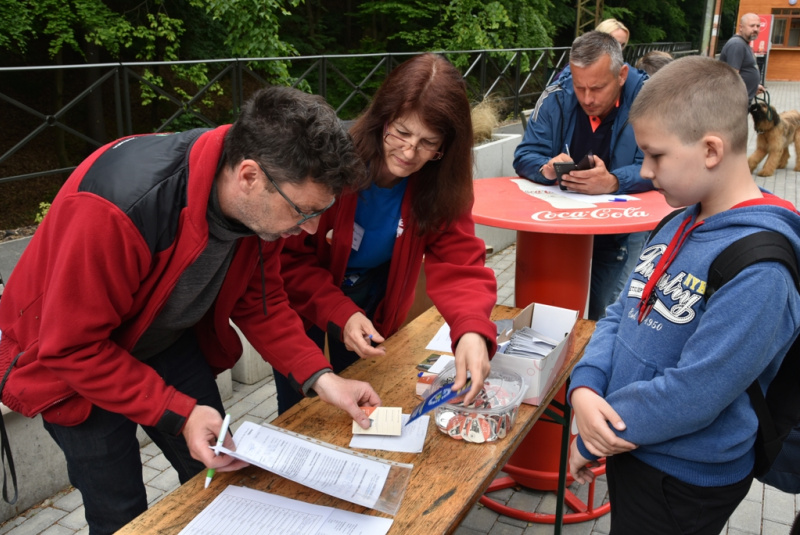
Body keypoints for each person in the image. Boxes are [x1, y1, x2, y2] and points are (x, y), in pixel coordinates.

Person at [0, 86, 382, 534]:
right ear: (249, 176)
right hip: (70, 365)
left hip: (164, 338)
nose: (310, 229)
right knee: (121, 510)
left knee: (223, 474)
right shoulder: (119, 208)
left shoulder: (257, 207)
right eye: (304, 211)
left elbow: (262, 302)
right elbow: (70, 347)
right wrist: (179, 413)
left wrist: (322, 377)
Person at [567, 56, 800, 534]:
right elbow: (622, 311)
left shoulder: (761, 268)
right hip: (635, 444)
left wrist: (595, 436)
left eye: (656, 156)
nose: (646, 171)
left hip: (683, 478)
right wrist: (586, 385)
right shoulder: (678, 218)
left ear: (711, 150)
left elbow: (697, 391)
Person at [277, 53, 498, 413]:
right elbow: (289, 259)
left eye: (429, 143)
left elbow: (460, 264)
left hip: (375, 299)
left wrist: (472, 328)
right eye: (402, 132)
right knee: (303, 406)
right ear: (383, 118)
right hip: (305, 299)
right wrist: (340, 311)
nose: (410, 152)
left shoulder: (443, 183)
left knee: (364, 400)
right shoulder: (331, 161)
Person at [514, 31, 652, 320]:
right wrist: (546, 168)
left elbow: (663, 165)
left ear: (622, 75)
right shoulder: (557, 95)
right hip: (563, 231)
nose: (587, 99)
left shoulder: (651, 99)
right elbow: (524, 154)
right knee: (553, 313)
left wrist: (614, 181)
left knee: (607, 313)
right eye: (580, 87)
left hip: (623, 234)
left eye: (598, 88)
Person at [719, 13, 765, 102]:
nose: (755, 29)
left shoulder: (743, 43)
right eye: (752, 26)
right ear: (741, 27)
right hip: (734, 104)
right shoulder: (737, 44)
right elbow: (732, 77)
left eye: (758, 26)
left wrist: (754, 86)